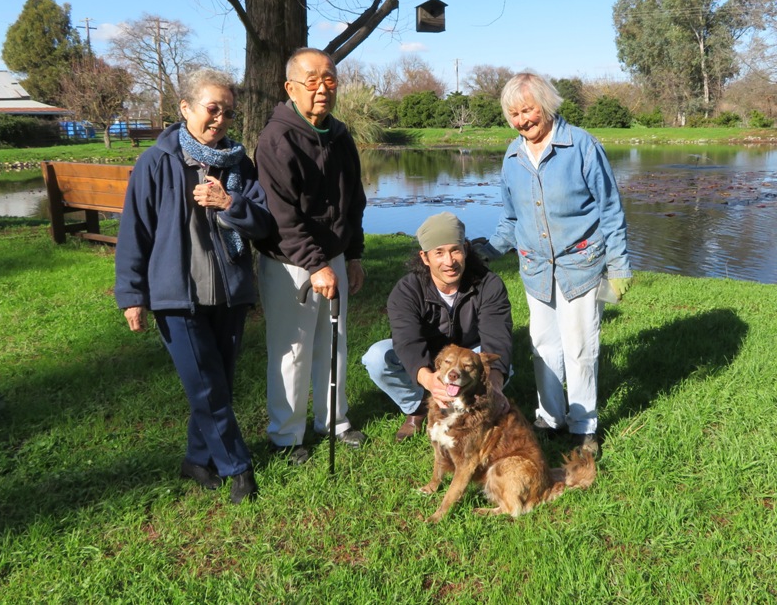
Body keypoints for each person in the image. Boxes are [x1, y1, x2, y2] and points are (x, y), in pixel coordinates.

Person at [115, 67, 271, 503]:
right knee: (205, 385)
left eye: (228, 112)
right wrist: (132, 295)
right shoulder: (156, 162)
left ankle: (196, 459)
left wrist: (230, 202)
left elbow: (262, 223)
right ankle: (237, 467)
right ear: (185, 108)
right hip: (175, 296)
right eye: (212, 108)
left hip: (230, 293)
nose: (220, 119)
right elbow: (135, 232)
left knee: (216, 381)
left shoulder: (240, 163)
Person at [477, 71, 633, 456]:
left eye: (527, 110)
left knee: (581, 346)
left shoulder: (581, 145)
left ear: (546, 106)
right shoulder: (512, 156)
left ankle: (584, 426)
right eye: (513, 114)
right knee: (543, 345)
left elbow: (610, 209)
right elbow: (511, 219)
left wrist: (619, 265)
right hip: (535, 269)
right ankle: (550, 416)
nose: (521, 120)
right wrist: (488, 249)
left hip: (580, 265)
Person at [255, 47, 367, 465]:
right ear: (291, 87)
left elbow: (354, 200)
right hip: (290, 262)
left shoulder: (339, 135)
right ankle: (286, 436)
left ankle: (334, 422)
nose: (322, 89)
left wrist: (352, 254)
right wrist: (315, 264)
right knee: (293, 349)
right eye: (312, 80)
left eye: (330, 79)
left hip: (332, 257)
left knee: (332, 341)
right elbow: (282, 214)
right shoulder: (276, 138)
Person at [362, 212, 513, 442]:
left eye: (455, 250)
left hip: (471, 353)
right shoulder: (407, 290)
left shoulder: (489, 284)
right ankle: (418, 408)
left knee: (503, 367)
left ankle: (471, 408)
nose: (449, 261)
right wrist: (428, 379)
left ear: (466, 249)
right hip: (430, 356)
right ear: (425, 257)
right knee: (376, 357)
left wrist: (495, 386)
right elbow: (407, 342)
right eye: (439, 253)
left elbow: (498, 337)